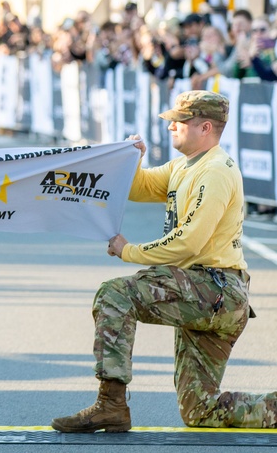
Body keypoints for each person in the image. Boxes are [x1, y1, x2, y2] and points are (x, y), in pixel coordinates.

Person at [51, 90, 277, 433]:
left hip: (214, 289)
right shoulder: (184, 166)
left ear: (204, 128)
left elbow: (188, 242)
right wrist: (132, 160)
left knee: (115, 295)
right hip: (208, 291)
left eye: (179, 121)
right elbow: (139, 187)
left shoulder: (215, 171)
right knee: (200, 411)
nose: (171, 126)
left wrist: (129, 251)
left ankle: (111, 404)